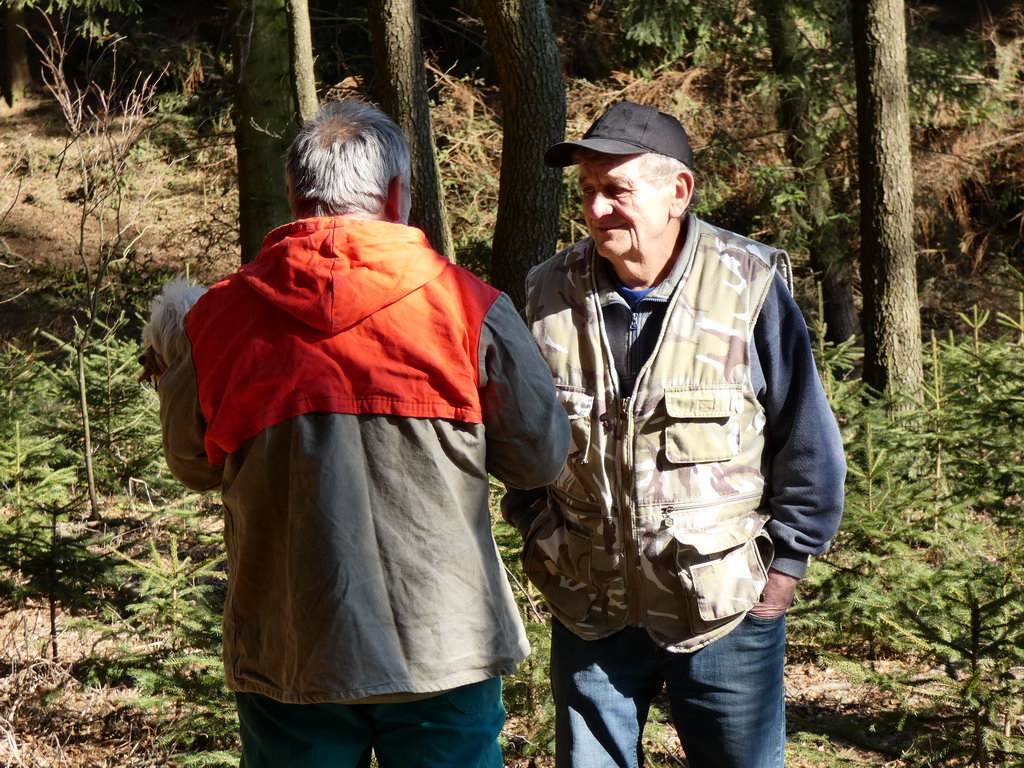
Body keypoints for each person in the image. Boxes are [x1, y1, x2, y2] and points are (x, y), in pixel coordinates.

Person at [152, 98, 570, 768]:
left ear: (295, 197)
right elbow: (539, 460)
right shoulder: (469, 308)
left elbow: (191, 465)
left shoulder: (216, 320)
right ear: (398, 194)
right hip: (442, 644)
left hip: (290, 644)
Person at [502, 100, 846, 768]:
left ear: (678, 192)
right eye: (588, 191)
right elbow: (521, 440)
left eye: (616, 190)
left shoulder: (747, 286)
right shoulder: (548, 293)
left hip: (725, 608)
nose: (597, 208)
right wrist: (537, 529)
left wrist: (784, 571)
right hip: (590, 608)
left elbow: (805, 439)